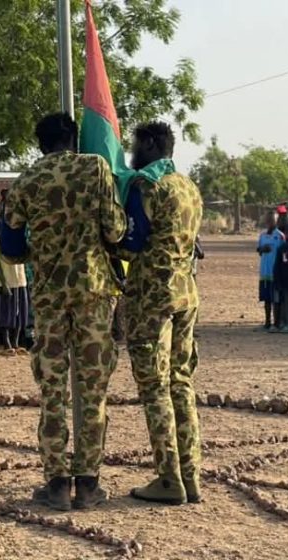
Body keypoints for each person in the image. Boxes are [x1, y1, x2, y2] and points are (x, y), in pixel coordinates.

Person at [2, 112, 125, 511]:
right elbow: (115, 231)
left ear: (40, 144)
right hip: (92, 293)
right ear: (74, 138)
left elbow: (11, 246)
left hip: (50, 297)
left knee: (53, 391)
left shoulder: (27, 180)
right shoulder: (96, 168)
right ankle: (88, 484)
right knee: (92, 390)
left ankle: (56, 482)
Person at [118, 121, 202, 506]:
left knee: (154, 389)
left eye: (136, 145)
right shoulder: (189, 188)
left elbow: (132, 245)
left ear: (151, 144)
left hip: (152, 298)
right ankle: (190, 474)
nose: (132, 153)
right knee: (180, 383)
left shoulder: (146, 188)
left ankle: (168, 479)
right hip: (186, 295)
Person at [0, 227, 30, 354]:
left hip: (20, 279)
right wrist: (3, 283)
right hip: (7, 280)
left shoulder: (21, 235)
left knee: (20, 314)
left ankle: (16, 342)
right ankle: (6, 343)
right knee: (6, 313)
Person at [256, 210, 284, 331]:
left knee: (276, 299)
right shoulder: (262, 235)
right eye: (268, 219)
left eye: (272, 219)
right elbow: (259, 250)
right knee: (266, 299)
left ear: (276, 221)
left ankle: (276, 323)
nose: (269, 222)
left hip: (275, 271)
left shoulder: (280, 236)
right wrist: (262, 249)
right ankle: (267, 322)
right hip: (264, 272)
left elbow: (283, 253)